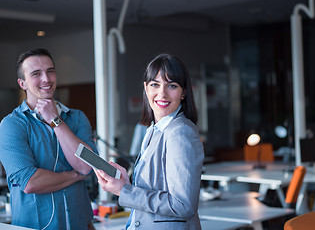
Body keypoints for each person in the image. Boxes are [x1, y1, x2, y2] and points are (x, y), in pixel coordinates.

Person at [94, 53, 204, 229]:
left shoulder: (180, 133)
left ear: (183, 93)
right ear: (146, 89)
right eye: (155, 84)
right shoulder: (154, 130)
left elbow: (183, 205)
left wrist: (124, 191)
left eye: (172, 86)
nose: (162, 93)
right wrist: (125, 183)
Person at [0, 48, 97, 230]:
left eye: (50, 71)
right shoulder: (11, 125)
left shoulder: (77, 118)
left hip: (81, 225)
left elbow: (86, 165)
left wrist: (56, 121)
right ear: (22, 83)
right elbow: (30, 182)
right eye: (36, 74)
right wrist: (75, 176)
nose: (46, 79)